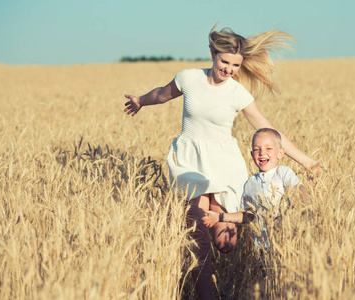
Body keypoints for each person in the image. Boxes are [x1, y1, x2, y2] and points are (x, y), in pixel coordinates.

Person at [123, 24, 321, 300]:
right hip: (189, 161)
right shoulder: (189, 78)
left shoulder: (237, 93)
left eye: (235, 65)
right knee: (197, 232)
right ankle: (208, 295)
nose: (229, 69)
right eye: (225, 61)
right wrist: (140, 100)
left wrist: (307, 162)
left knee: (225, 243)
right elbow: (162, 94)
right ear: (212, 53)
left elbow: (269, 130)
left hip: (224, 164)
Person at [201, 128, 311, 248]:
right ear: (252, 154)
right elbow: (249, 215)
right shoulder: (250, 183)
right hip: (263, 246)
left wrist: (306, 208)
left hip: (288, 241)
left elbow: (299, 188)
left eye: (268, 148)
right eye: (257, 149)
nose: (262, 153)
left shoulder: (283, 173)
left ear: (280, 153)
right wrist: (219, 217)